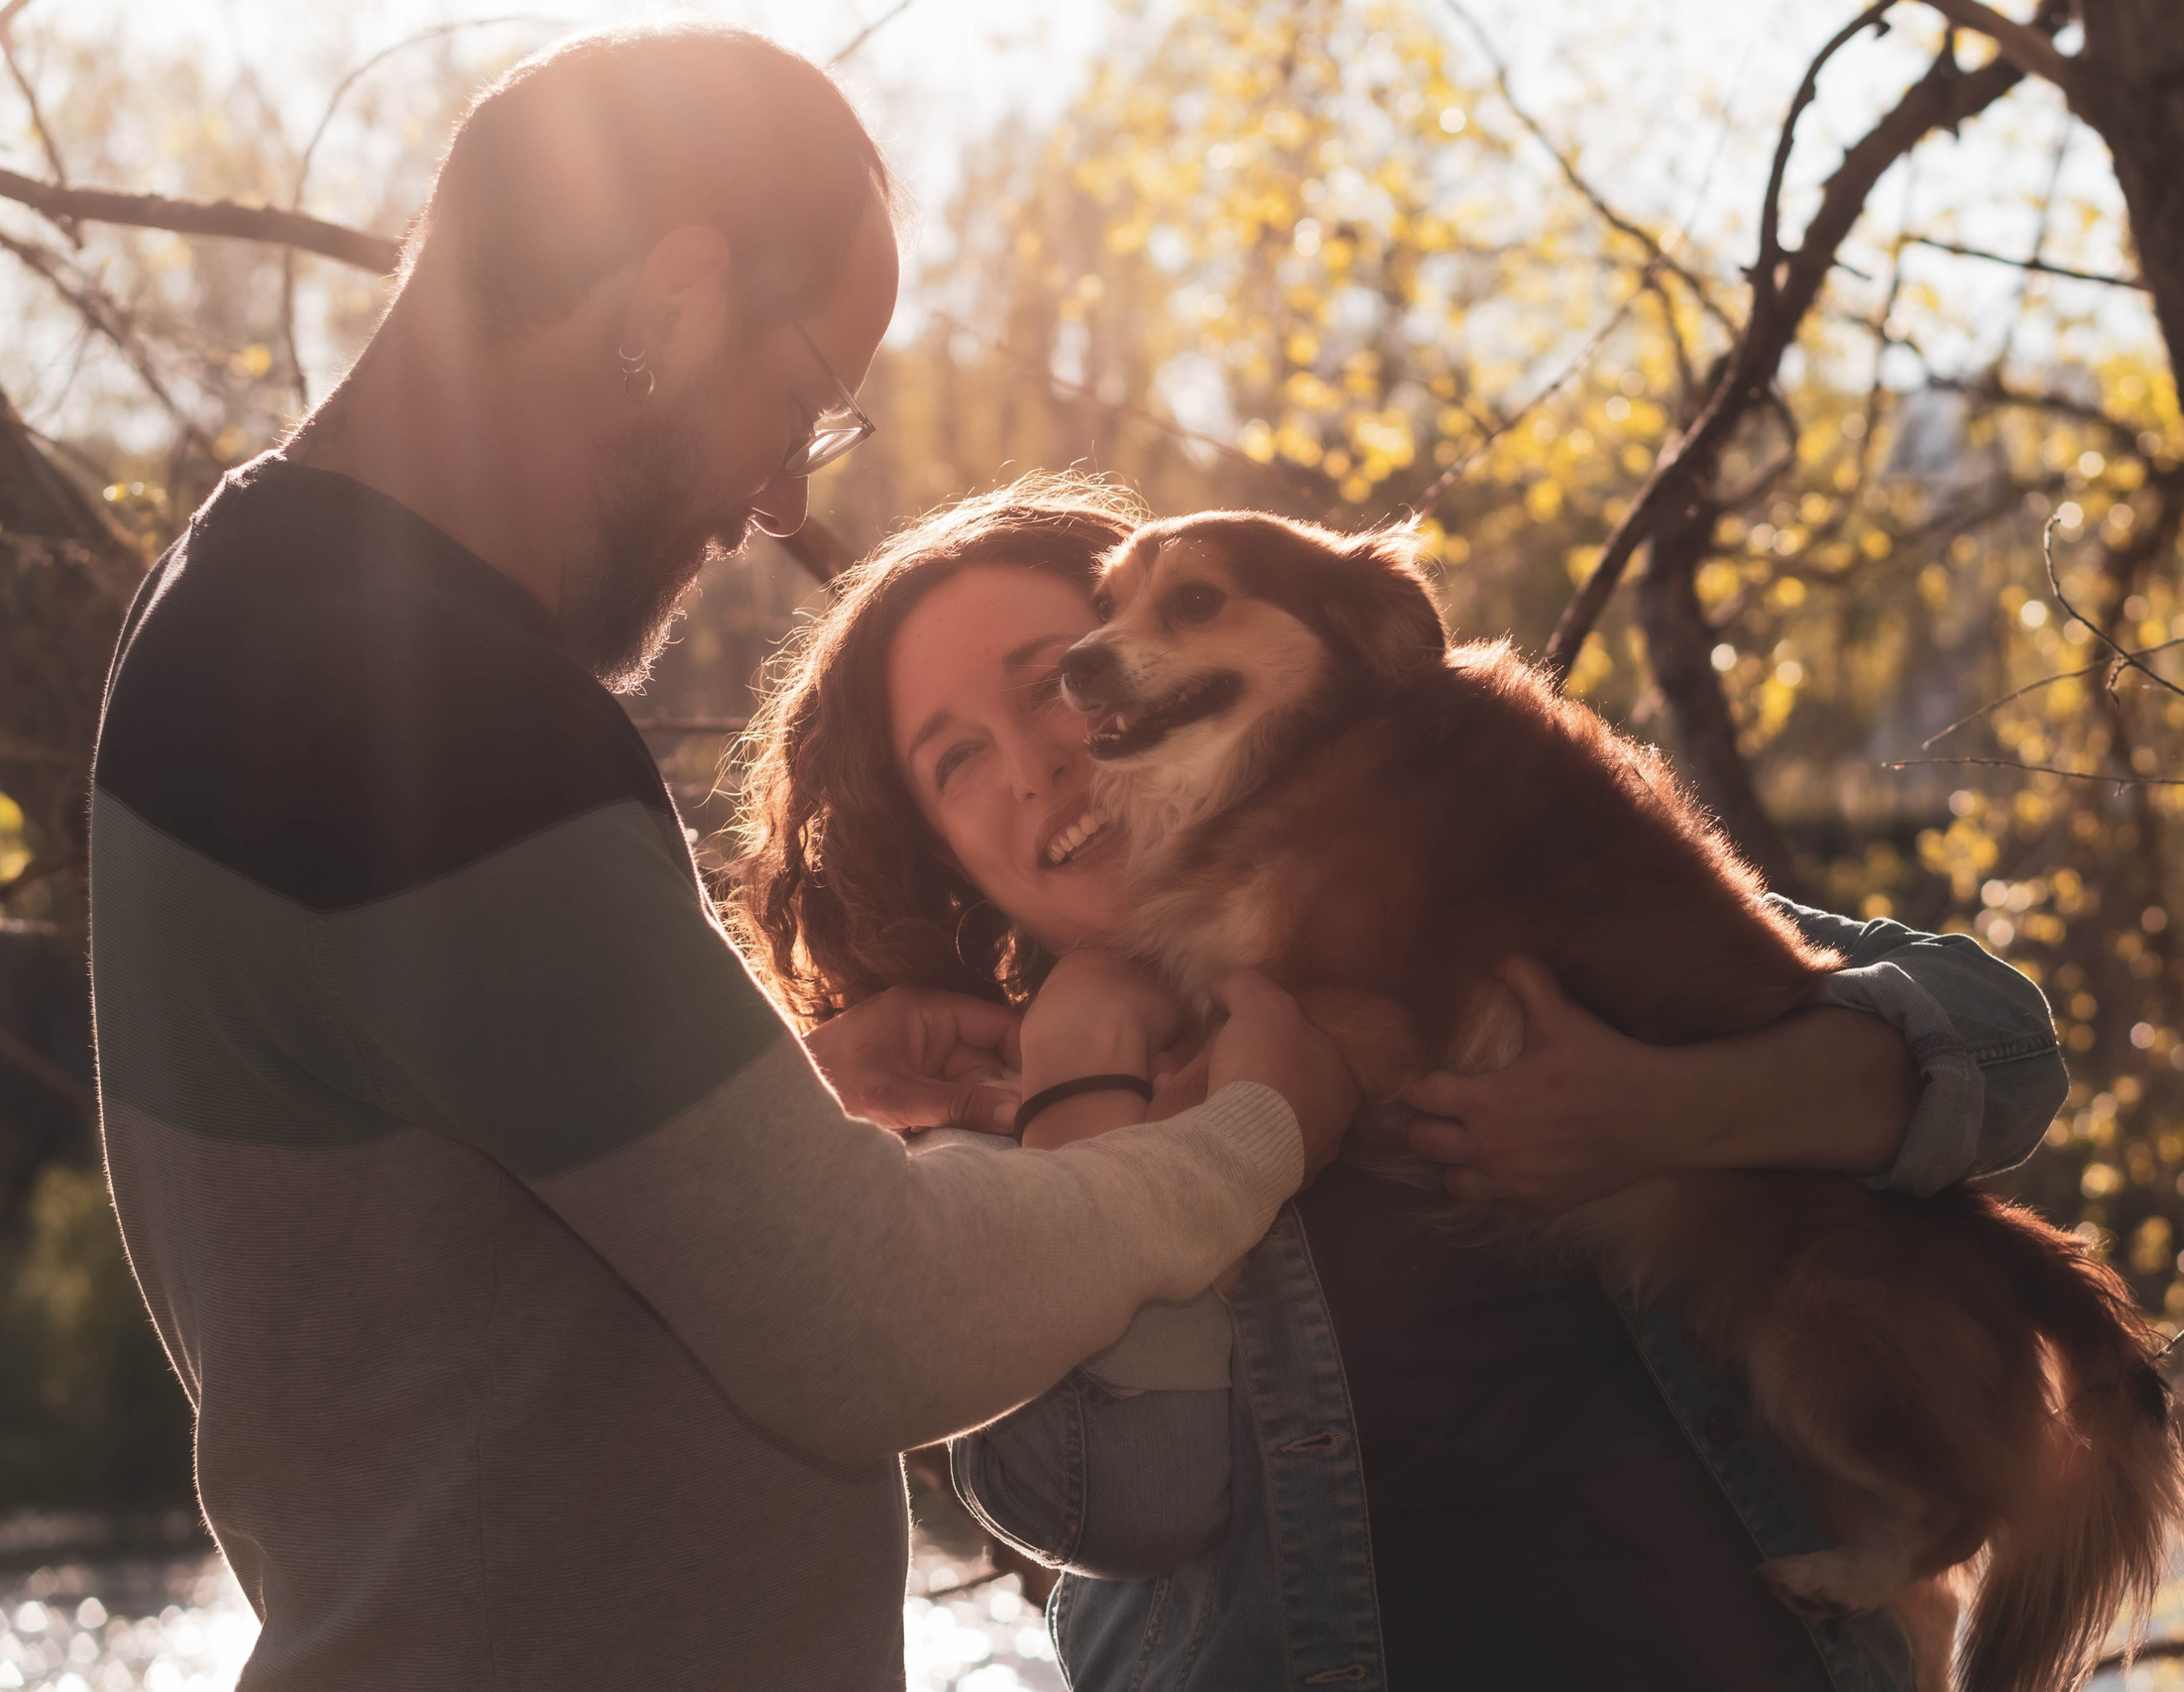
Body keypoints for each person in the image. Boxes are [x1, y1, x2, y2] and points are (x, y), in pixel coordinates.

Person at [85, 25, 1359, 1690]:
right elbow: (868, 1329)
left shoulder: (241, 605)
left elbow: (427, 1218)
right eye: (803, 402)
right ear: (673, 306)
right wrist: (1264, 1129)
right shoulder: (419, 713)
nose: (774, 498)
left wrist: (800, 1102)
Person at [725, 474, 2071, 1692]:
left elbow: (2001, 1044)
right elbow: (1124, 1498)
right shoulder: (966, 1156)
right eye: (957, 760)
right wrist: (1086, 1081)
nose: (1043, 754)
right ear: (937, 846)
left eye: (1048, 677)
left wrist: (1663, 1103)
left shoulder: (1504, 868)